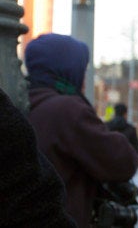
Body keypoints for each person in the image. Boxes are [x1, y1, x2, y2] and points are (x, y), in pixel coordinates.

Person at [25, 33, 138, 227]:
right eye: (82, 70)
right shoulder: (67, 110)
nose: (84, 79)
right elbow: (123, 161)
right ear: (68, 71)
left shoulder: (23, 102)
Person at [0, 88, 76, 227]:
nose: (25, 81)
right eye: (17, 66)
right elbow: (121, 162)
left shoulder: (32, 105)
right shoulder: (71, 110)